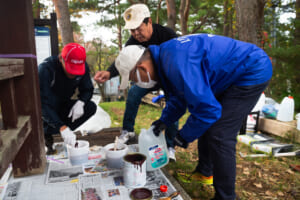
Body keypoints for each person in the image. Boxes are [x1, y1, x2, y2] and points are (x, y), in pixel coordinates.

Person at [114, 34, 272, 200]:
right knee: (208, 125)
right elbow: (179, 97)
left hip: (250, 70)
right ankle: (205, 172)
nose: (137, 84)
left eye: (134, 79)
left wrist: (183, 136)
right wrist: (164, 121)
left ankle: (226, 197)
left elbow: (208, 110)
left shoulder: (176, 64)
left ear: (142, 68)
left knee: (220, 134)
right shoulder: (166, 59)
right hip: (229, 75)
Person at [93, 4, 178, 160]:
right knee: (133, 93)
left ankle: (170, 145)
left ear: (149, 22)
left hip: (169, 78)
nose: (136, 34)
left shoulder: (168, 36)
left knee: (173, 105)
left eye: (139, 28)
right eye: (132, 30)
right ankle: (128, 130)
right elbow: (124, 61)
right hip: (146, 79)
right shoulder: (133, 41)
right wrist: (109, 72)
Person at [39, 43, 97, 155]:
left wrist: (81, 102)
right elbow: (42, 104)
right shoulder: (45, 69)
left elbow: (88, 89)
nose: (74, 74)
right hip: (46, 110)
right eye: (71, 69)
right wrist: (62, 127)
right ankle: (48, 131)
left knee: (90, 107)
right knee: (46, 113)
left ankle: (63, 131)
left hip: (63, 103)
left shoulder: (84, 66)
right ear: (61, 58)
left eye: (77, 70)